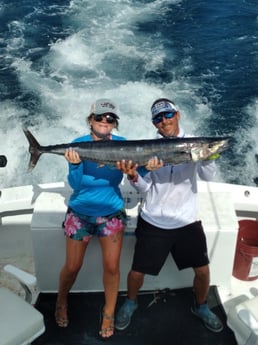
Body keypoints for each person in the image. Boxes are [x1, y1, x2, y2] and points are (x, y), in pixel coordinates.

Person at [115, 98, 223, 333]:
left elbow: (208, 177)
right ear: (154, 123)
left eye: (167, 115)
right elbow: (144, 188)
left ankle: (202, 306)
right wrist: (135, 175)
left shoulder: (195, 143)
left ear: (177, 114)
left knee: (203, 270)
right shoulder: (149, 148)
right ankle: (131, 303)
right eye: (158, 118)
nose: (164, 121)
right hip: (154, 219)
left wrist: (206, 156)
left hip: (186, 219)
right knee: (137, 272)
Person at [55, 98, 127, 339]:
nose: (104, 121)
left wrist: (140, 170)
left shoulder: (124, 146)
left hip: (111, 214)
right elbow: (75, 185)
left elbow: (138, 172)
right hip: (80, 213)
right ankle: (61, 301)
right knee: (73, 266)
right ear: (90, 120)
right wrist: (75, 166)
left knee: (112, 267)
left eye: (110, 119)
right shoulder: (77, 145)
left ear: (115, 124)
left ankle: (108, 312)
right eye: (100, 117)